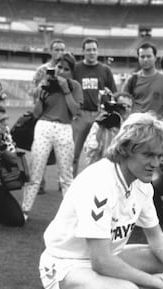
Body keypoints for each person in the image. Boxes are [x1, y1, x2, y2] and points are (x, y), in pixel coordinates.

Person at [39, 112, 163, 289]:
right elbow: (101, 261)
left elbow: (155, 234)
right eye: (148, 154)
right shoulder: (99, 183)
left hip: (104, 258)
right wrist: (156, 283)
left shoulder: (142, 183)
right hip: (64, 266)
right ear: (126, 149)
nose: (155, 163)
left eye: (160, 156)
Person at [22, 53, 83, 221]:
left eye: (66, 69)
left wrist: (65, 90)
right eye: (59, 67)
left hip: (64, 128)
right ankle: (25, 211)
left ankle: (72, 216)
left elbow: (76, 111)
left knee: (66, 176)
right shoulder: (45, 83)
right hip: (43, 126)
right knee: (35, 173)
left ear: (71, 72)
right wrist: (41, 97)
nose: (61, 71)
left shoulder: (75, 86)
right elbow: (36, 113)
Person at [72, 37, 117, 176]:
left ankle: (96, 180)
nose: (92, 52)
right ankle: (70, 181)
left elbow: (113, 92)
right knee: (74, 152)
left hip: (99, 114)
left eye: (94, 49)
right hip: (81, 114)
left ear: (98, 51)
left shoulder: (105, 70)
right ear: (83, 51)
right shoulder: (76, 68)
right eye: (88, 50)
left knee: (99, 150)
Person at [30, 38, 66, 194]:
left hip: (62, 116)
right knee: (40, 152)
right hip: (44, 116)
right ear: (50, 51)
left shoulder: (68, 70)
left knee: (63, 152)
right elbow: (32, 92)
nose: (60, 53)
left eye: (62, 49)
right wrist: (42, 86)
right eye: (57, 49)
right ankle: (39, 184)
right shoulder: (41, 70)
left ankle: (63, 182)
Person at [0, 103, 24, 231]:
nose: (6, 124)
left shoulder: (4, 132)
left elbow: (13, 159)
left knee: (16, 219)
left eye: (6, 119)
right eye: (1, 121)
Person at [123, 43, 163, 120]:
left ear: (155, 58)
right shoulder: (132, 80)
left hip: (155, 125)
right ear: (138, 58)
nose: (145, 60)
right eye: (142, 57)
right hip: (135, 124)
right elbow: (123, 103)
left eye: (149, 56)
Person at [83, 91, 133, 166]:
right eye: (123, 106)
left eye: (129, 107)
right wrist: (100, 129)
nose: (126, 109)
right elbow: (89, 152)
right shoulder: (101, 124)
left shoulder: (131, 127)